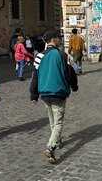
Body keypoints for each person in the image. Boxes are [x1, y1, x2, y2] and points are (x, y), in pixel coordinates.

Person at [30, 30, 78, 164]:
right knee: (58, 122)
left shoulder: (39, 56)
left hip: (45, 93)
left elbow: (35, 76)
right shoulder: (62, 55)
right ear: (53, 39)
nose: (60, 40)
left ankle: (57, 141)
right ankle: (50, 147)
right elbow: (70, 73)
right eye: (59, 38)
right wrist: (74, 86)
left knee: (52, 121)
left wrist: (34, 94)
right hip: (58, 92)